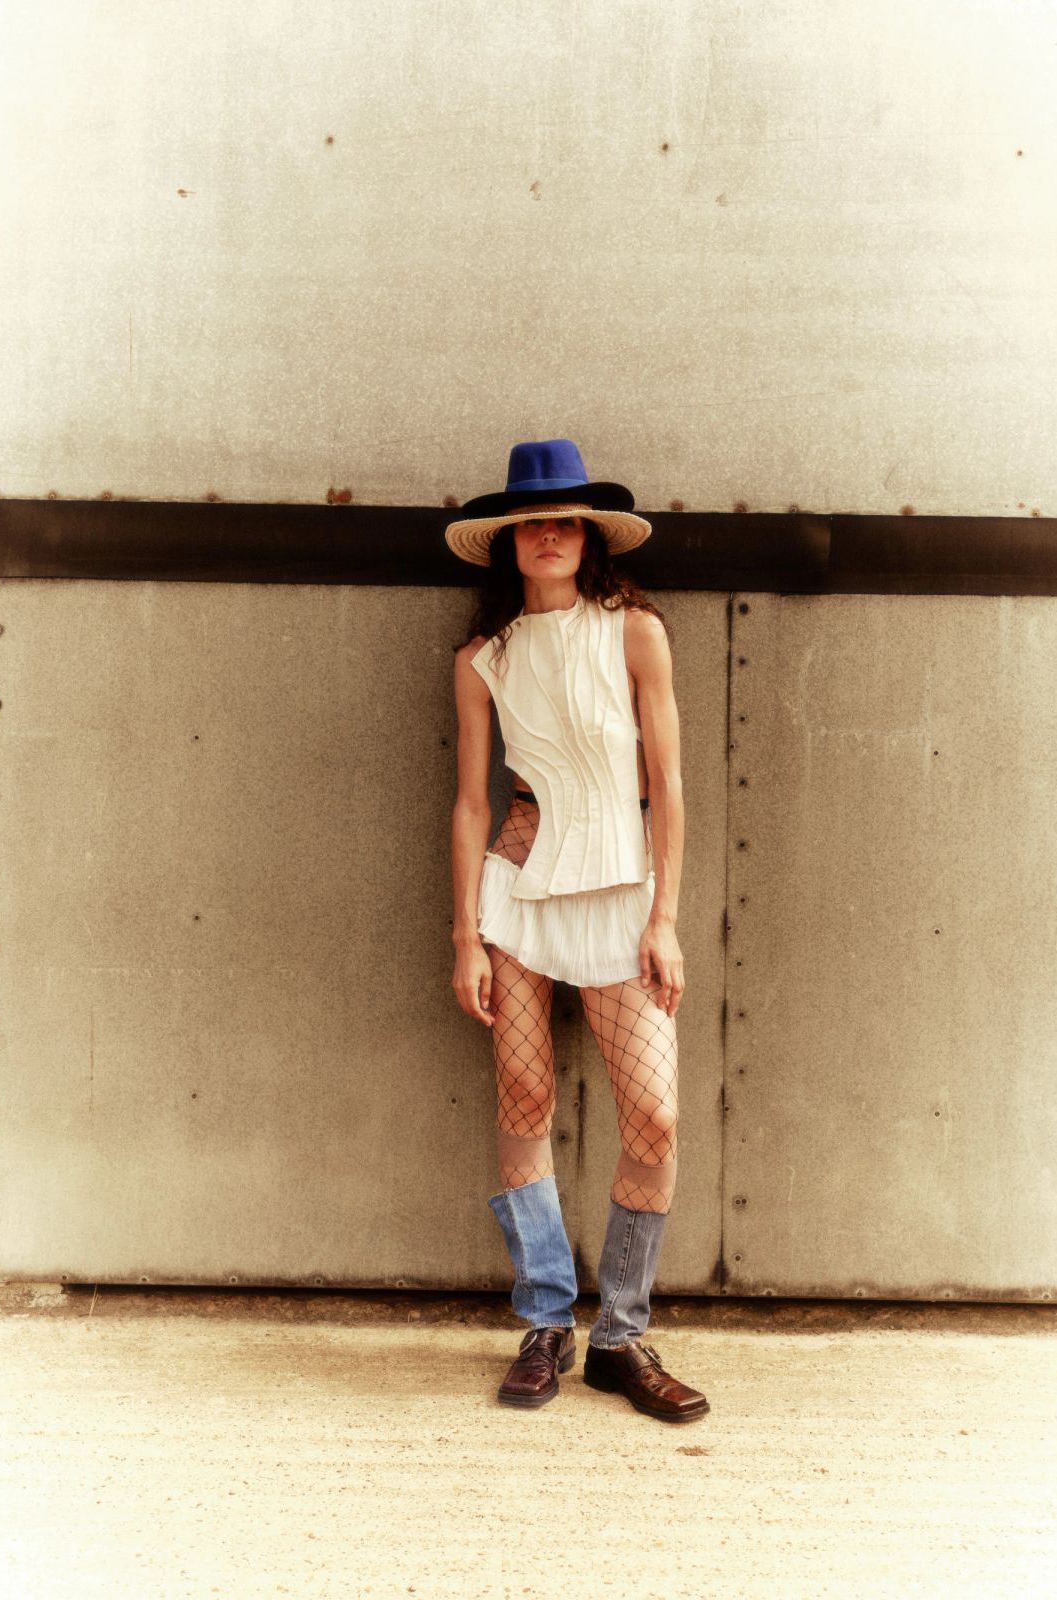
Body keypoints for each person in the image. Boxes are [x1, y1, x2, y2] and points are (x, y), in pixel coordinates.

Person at [447, 438, 709, 1424]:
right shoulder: (484, 659)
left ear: (588, 535)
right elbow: (473, 807)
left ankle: (621, 1335)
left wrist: (668, 917)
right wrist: (466, 935)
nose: (548, 533)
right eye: (531, 521)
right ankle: (546, 1320)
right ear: (510, 541)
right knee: (523, 1087)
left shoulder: (636, 631)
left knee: (657, 1115)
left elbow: (670, 784)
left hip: (621, 889)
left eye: (564, 519)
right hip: (518, 885)